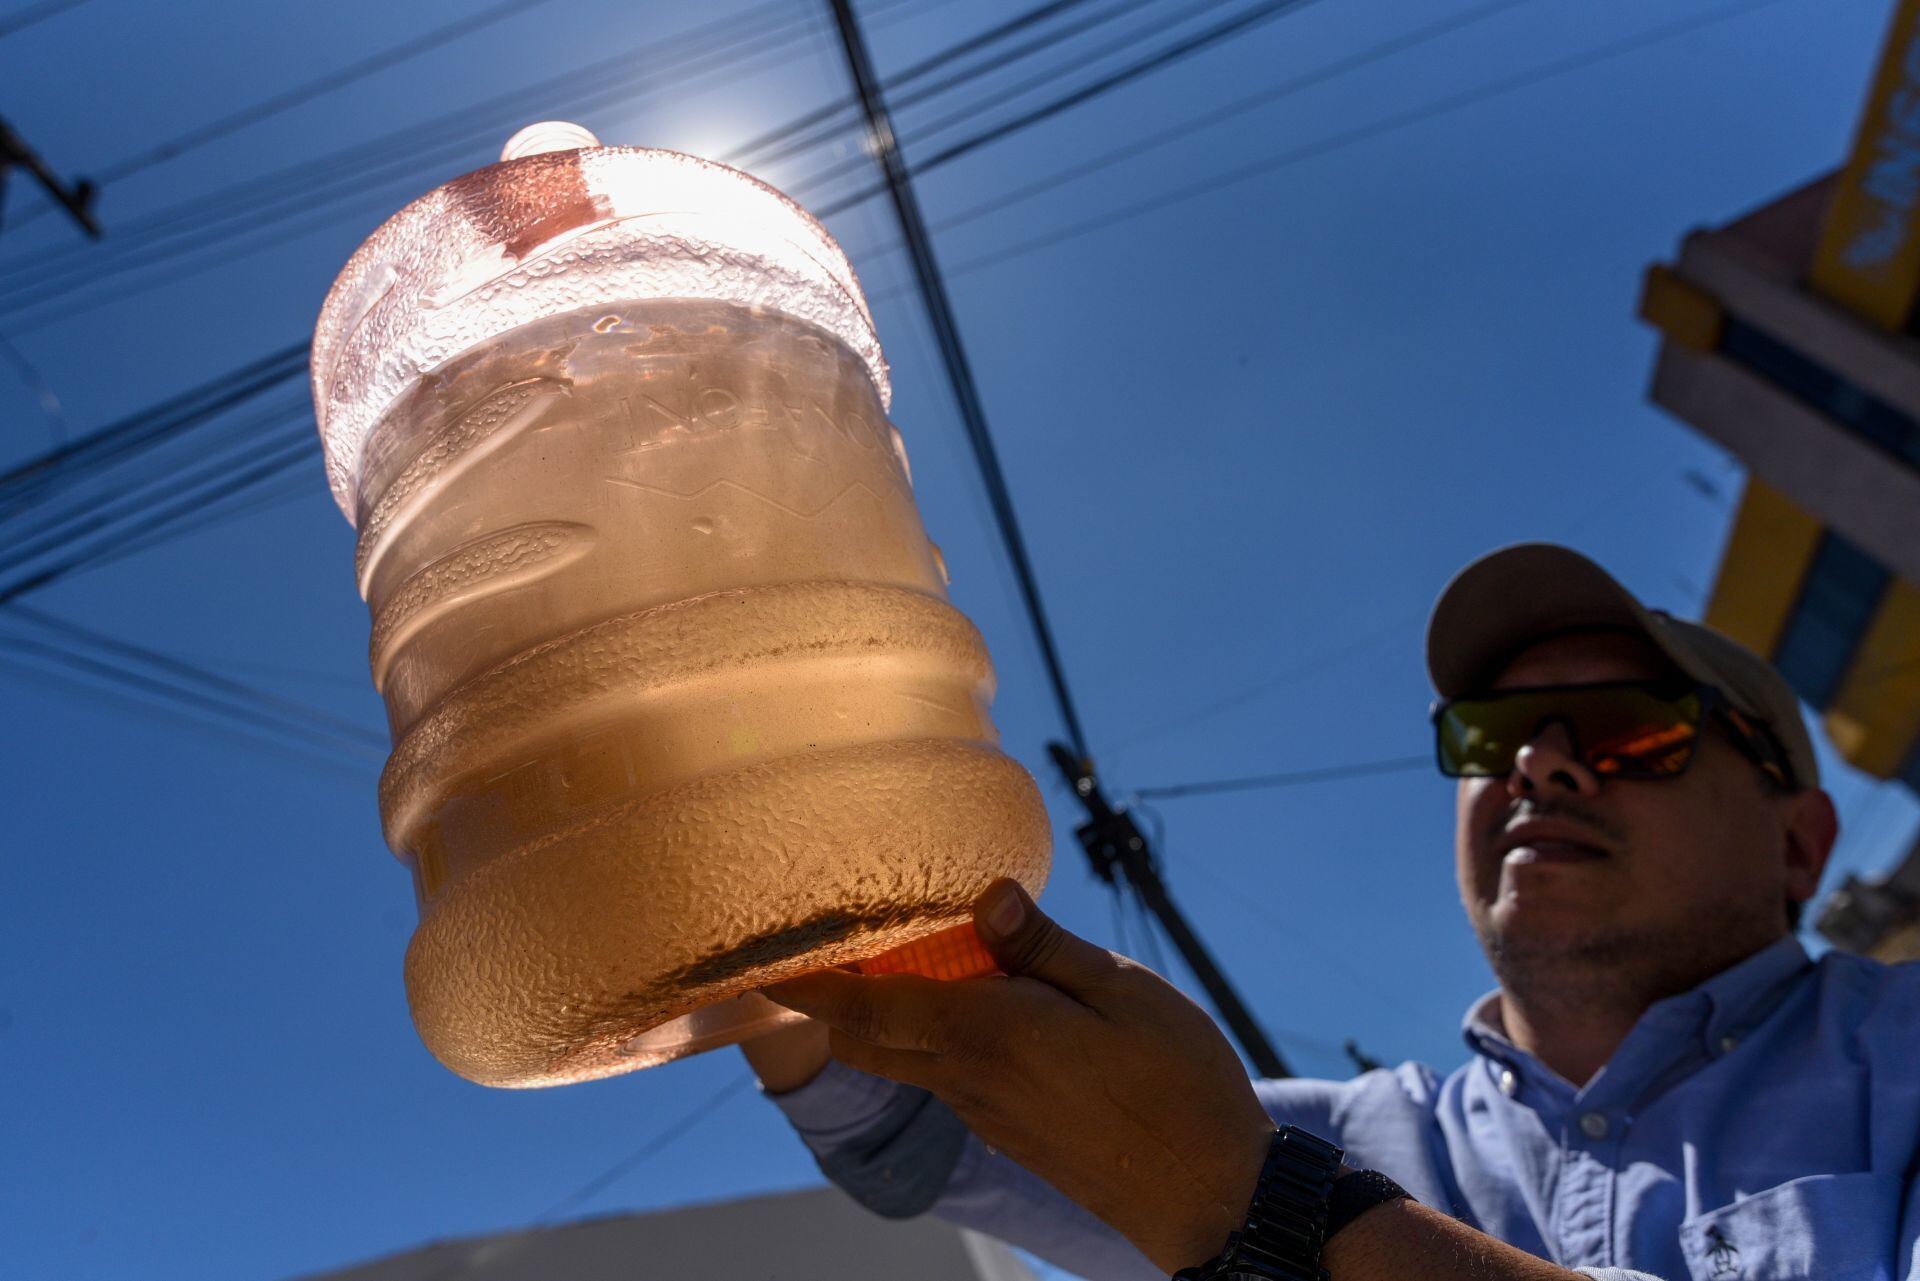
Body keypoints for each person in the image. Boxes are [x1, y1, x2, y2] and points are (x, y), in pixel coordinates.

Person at [740, 543, 1920, 1281]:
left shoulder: (1902, 1051)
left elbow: (1216, 1173)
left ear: (1801, 841)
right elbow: (920, 1133)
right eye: (1491, 737)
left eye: (1631, 731)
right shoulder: (1339, 1137)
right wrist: (741, 893)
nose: (1543, 767)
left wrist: (1267, 1212)